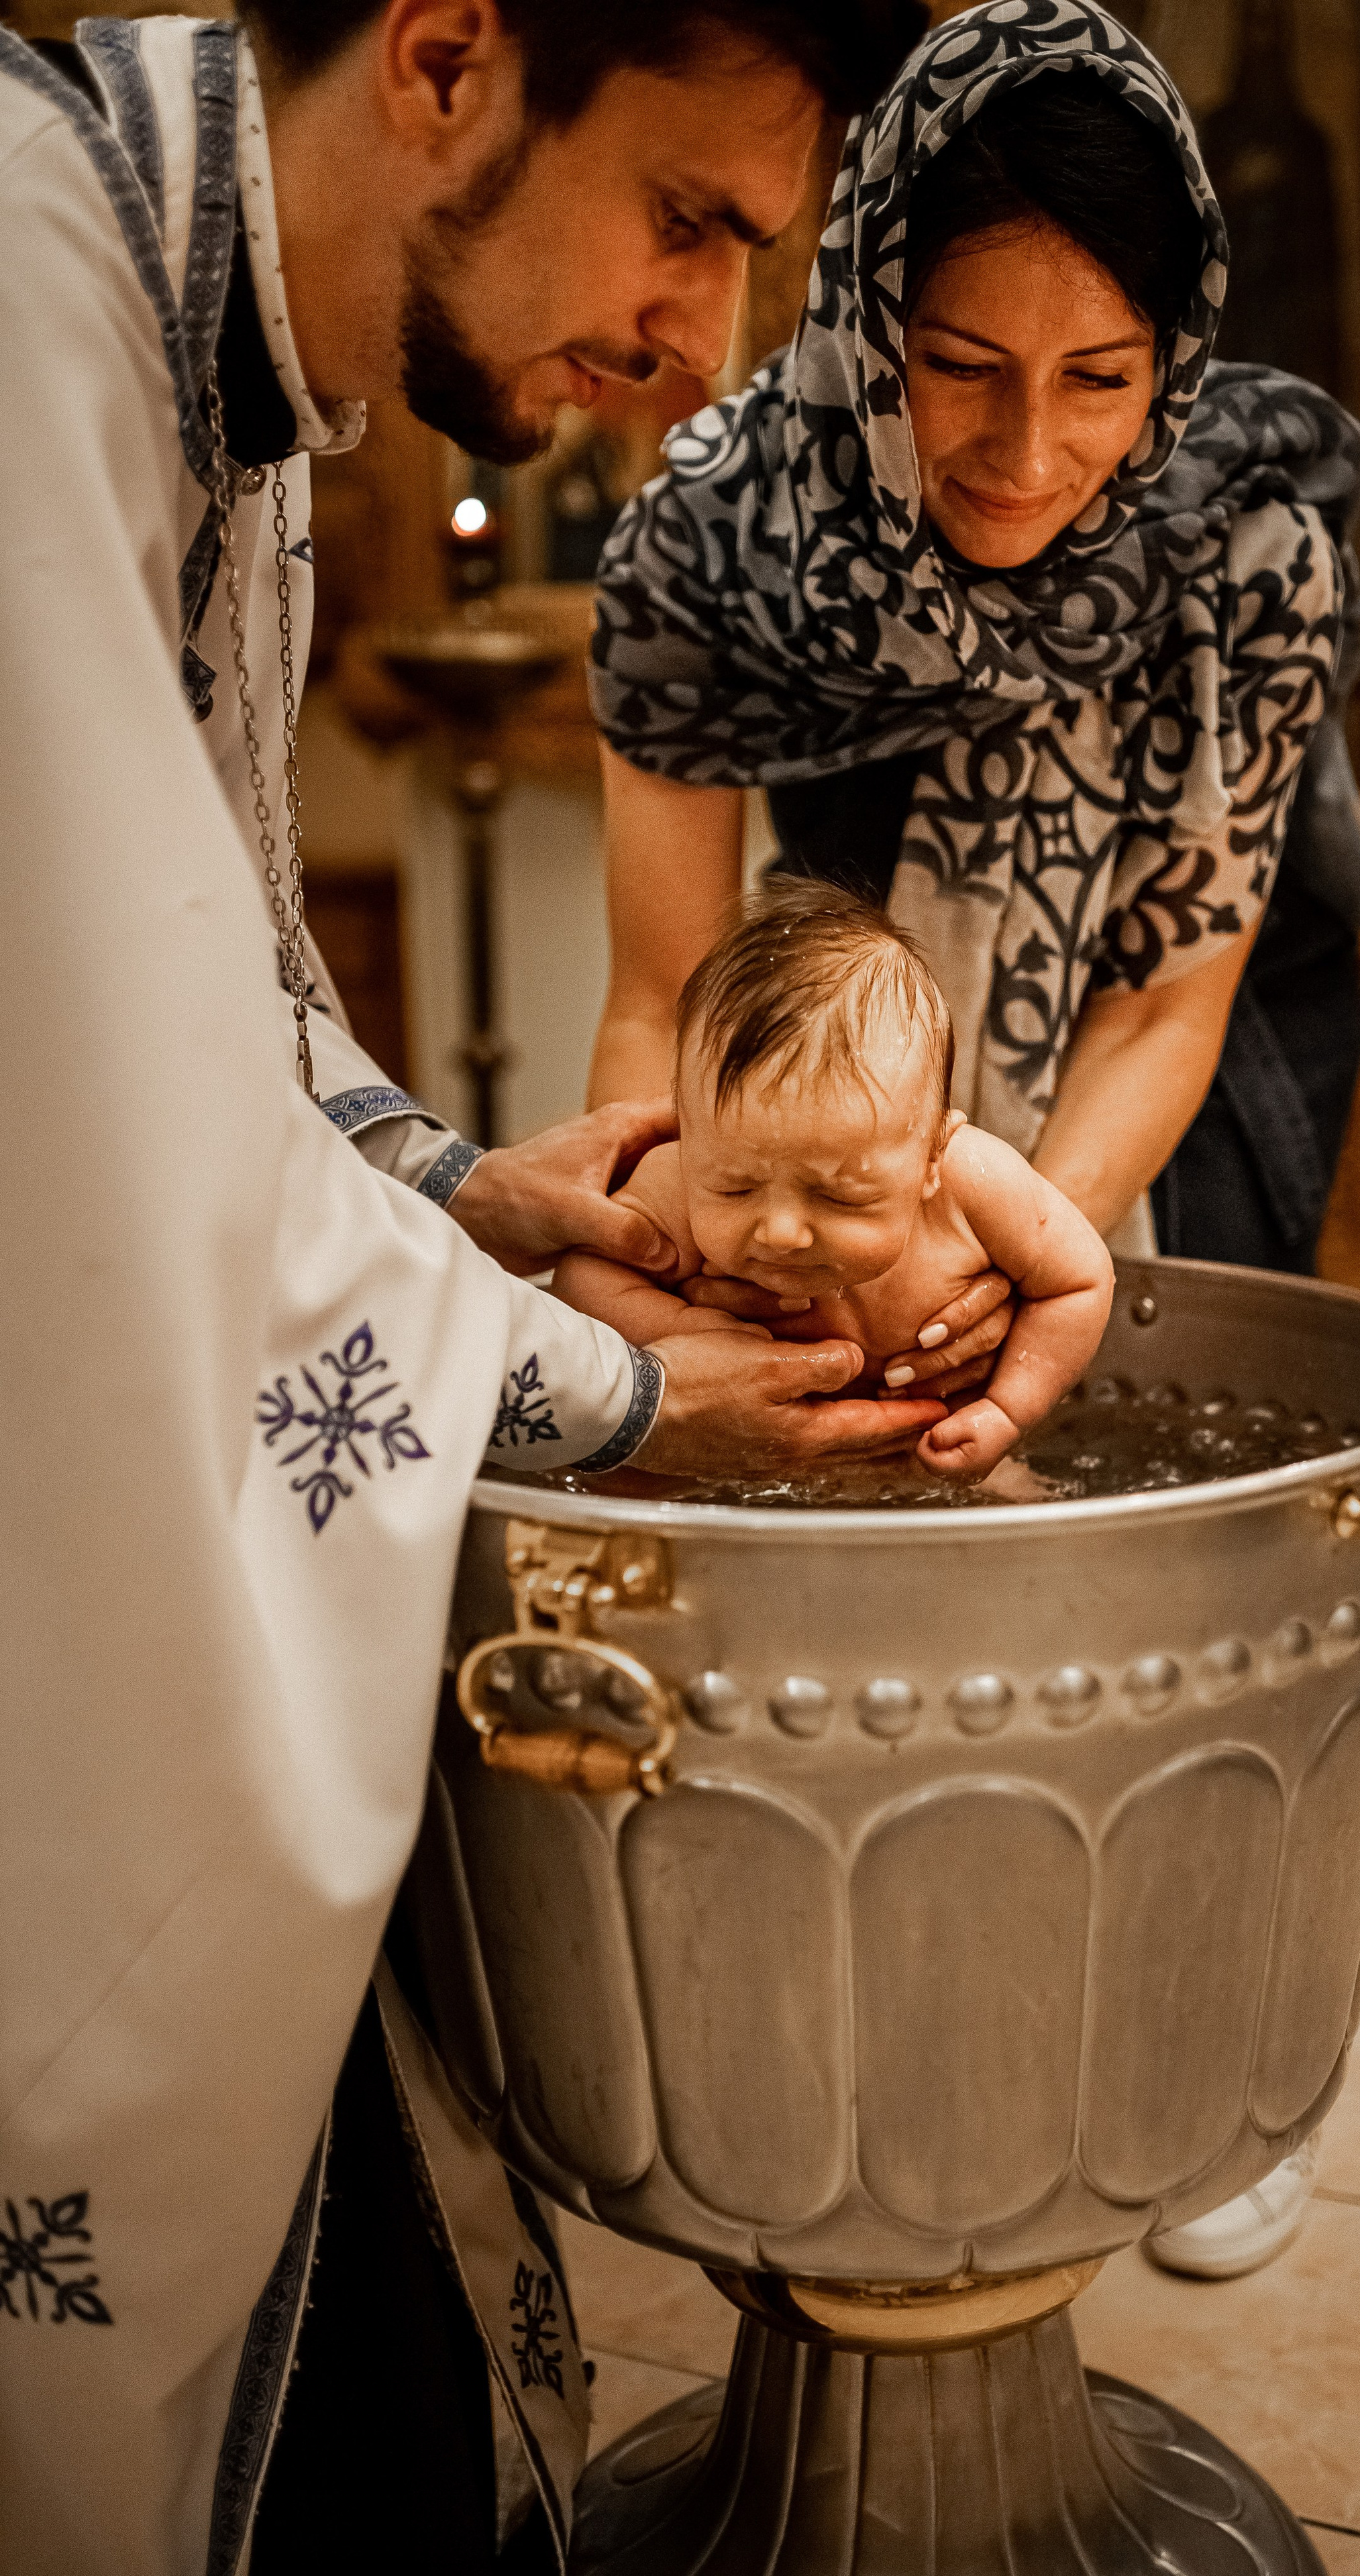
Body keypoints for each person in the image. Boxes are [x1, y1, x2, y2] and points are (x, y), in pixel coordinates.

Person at [0, 5, 934, 2569]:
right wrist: (621, 1392)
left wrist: (474, 1197)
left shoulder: (242, 386)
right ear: (440, 59)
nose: (704, 340)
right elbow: (107, 1174)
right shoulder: (20, 293)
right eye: (689, 220)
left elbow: (224, 1006)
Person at [586, 0, 1360, 2287]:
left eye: (1099, 378)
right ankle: (926, 2019)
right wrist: (679, 1239)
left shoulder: (1246, 525)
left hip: (1186, 1062)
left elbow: (1178, 985)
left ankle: (1211, 2034)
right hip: (841, 1044)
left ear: (1178, 358)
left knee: (1194, 1573)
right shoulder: (713, 538)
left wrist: (1007, 1233)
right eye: (960, 363)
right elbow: (662, 998)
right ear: (867, 311)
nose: (1028, 450)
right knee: (876, 1540)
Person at [558, 885, 1114, 1481]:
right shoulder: (674, 1184)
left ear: (932, 1157)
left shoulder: (974, 1188)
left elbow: (1079, 1281)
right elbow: (582, 1277)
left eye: (837, 1195)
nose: (782, 1231)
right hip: (729, 1454)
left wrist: (1006, 1409)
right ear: (688, 1136)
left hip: (934, 1445)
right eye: (734, 1188)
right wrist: (678, 1334)